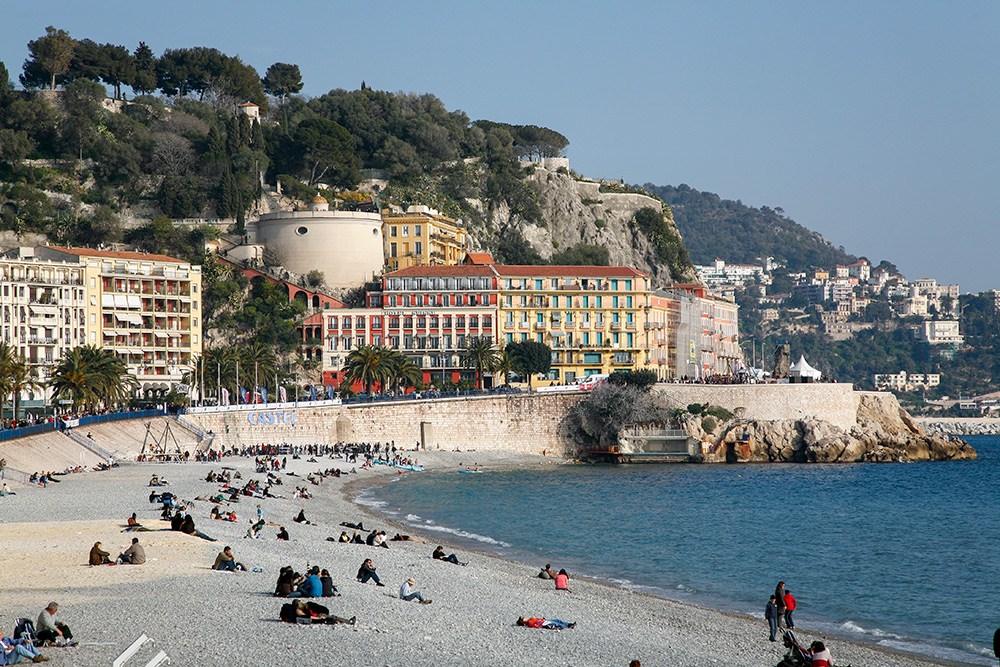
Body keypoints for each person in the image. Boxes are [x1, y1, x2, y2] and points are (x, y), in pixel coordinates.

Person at [280, 599, 355, 625]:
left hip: (317, 614)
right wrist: (319, 618)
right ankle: (349, 621)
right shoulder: (302, 609)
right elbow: (309, 616)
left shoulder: (303, 608)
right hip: (317, 616)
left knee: (333, 617)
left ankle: (347, 621)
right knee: (333, 617)